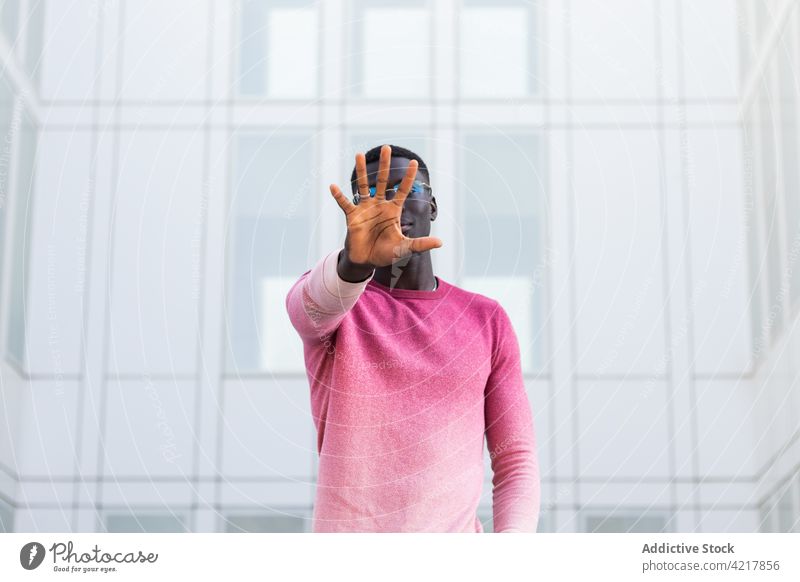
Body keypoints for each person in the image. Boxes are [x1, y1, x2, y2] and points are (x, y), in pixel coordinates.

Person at [285, 143, 540, 532]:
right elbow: (307, 309)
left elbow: (515, 460)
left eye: (408, 189)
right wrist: (355, 261)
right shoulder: (338, 305)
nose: (392, 204)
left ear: (433, 207)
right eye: (373, 195)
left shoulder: (487, 319)